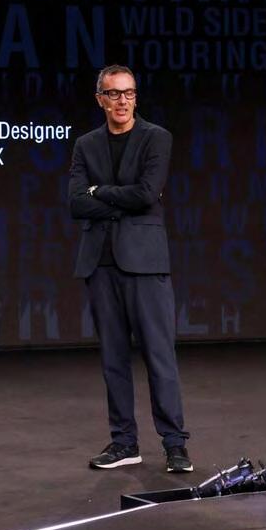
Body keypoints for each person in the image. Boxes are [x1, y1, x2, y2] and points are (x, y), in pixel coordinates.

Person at [67, 65, 193, 473]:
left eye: (129, 93)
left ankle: (175, 444)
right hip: (100, 263)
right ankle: (124, 443)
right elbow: (75, 202)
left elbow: (145, 194)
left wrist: (99, 192)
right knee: (113, 359)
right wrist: (112, 197)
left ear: (135, 97)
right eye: (114, 93)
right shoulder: (86, 145)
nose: (122, 101)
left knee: (159, 355)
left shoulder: (156, 138)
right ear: (100, 99)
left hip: (145, 263)